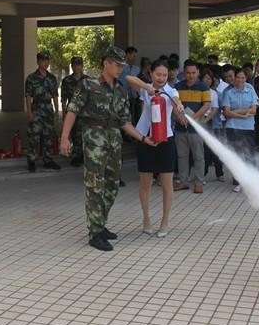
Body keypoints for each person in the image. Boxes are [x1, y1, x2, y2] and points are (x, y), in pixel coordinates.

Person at [60, 47, 155, 251]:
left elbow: (125, 122)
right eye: (117, 65)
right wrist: (64, 137)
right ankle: (95, 233)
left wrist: (143, 138)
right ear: (106, 63)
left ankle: (100, 223)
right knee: (95, 186)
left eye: (122, 65)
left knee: (112, 186)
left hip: (114, 142)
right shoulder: (88, 85)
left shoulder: (121, 90)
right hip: (94, 143)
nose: (120, 69)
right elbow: (72, 111)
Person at [127, 60, 187, 237]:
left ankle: (164, 222)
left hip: (165, 139)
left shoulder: (171, 91)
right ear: (151, 74)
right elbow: (129, 79)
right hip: (145, 138)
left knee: (167, 183)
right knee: (145, 182)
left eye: (165, 75)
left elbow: (176, 100)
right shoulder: (145, 89)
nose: (161, 78)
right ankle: (146, 219)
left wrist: (179, 106)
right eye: (158, 74)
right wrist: (147, 88)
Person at [174, 61, 211, 194]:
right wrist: (179, 117)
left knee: (198, 156)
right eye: (188, 73)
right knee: (182, 156)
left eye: (193, 73)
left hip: (196, 128)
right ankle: (183, 182)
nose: (191, 75)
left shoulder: (204, 87)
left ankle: (199, 183)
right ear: (184, 73)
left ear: (198, 72)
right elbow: (173, 104)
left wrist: (193, 118)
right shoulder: (177, 86)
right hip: (180, 127)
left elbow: (206, 105)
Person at [223, 68, 259, 192]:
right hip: (232, 127)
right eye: (238, 77)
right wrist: (243, 114)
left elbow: (254, 110)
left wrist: (235, 112)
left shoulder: (250, 90)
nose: (240, 80)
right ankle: (238, 181)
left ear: (246, 78)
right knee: (236, 155)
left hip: (248, 127)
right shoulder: (228, 92)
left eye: (242, 78)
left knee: (249, 154)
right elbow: (226, 113)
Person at [25, 52, 61, 172]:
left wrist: (56, 111)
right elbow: (28, 96)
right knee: (34, 136)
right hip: (36, 108)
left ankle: (48, 160)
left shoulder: (52, 78)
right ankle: (32, 160)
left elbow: (55, 95)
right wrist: (29, 112)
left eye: (47, 60)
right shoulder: (31, 78)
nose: (45, 63)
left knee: (48, 136)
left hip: (48, 108)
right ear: (38, 62)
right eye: (43, 60)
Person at [61, 56, 89, 167]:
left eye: (78, 65)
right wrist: (64, 113)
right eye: (74, 65)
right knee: (74, 134)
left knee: (84, 134)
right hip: (72, 111)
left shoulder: (87, 80)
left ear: (82, 66)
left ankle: (83, 155)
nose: (76, 67)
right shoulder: (67, 80)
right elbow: (63, 98)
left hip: (85, 111)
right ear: (72, 66)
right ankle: (76, 156)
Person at [201, 68, 224, 182]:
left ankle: (219, 173)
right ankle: (203, 174)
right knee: (202, 150)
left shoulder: (213, 93)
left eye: (209, 78)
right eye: (205, 78)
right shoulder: (198, 91)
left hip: (209, 122)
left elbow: (215, 109)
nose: (207, 80)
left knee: (213, 148)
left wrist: (206, 120)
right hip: (198, 120)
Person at [120, 46, 142, 125]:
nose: (135, 58)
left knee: (134, 116)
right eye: (133, 56)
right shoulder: (120, 67)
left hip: (134, 98)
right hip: (122, 97)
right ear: (127, 55)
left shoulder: (137, 69)